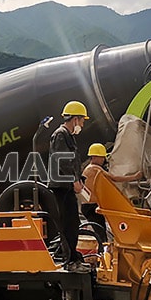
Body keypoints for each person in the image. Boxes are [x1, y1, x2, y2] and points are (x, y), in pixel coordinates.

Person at [48, 100, 89, 273]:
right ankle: (70, 261)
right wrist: (74, 180)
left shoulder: (68, 136)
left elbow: (72, 162)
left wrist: (80, 178)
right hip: (61, 187)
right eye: (82, 120)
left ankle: (73, 256)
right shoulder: (60, 135)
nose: (83, 124)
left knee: (73, 222)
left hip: (67, 186)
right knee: (67, 224)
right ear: (75, 119)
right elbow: (63, 160)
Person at [81, 143, 142, 238]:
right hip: (91, 206)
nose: (103, 160)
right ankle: (101, 250)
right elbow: (114, 178)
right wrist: (134, 177)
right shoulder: (95, 168)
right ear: (94, 157)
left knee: (100, 230)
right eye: (101, 157)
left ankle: (101, 248)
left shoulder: (88, 169)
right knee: (101, 233)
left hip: (88, 206)